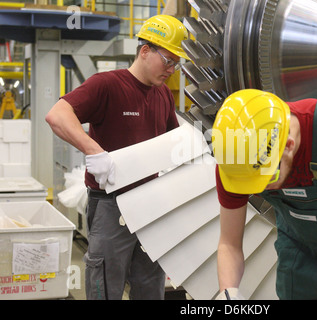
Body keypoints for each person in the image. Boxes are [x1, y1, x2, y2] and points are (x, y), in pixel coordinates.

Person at [45, 15, 190, 300]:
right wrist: (94, 150)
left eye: (177, 64)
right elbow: (57, 115)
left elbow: (173, 143)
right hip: (112, 206)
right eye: (168, 61)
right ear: (145, 51)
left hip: (150, 205)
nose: (172, 70)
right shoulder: (107, 85)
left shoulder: (163, 96)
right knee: (106, 286)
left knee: (151, 285)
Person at [212, 89, 317, 300]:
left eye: (267, 178)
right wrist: (228, 295)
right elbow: (229, 243)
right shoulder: (236, 164)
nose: (266, 188)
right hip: (298, 249)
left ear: (288, 146)